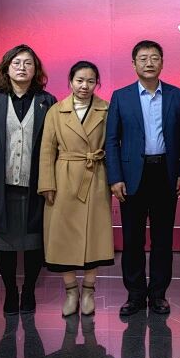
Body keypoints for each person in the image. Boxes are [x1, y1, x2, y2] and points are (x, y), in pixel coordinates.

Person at [106, 40, 180, 316]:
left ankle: (158, 295)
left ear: (162, 63)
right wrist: (115, 177)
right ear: (134, 64)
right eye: (143, 58)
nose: (149, 63)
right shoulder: (121, 97)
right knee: (132, 240)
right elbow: (111, 140)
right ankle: (135, 295)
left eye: (154, 58)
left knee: (162, 240)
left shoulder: (176, 95)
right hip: (132, 177)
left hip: (165, 173)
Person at [0, 44, 56, 315]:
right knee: (4, 241)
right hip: (2, 184)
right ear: (6, 68)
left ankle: (29, 290)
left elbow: (55, 145)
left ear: (36, 70)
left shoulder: (47, 101)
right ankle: (10, 290)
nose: (22, 67)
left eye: (28, 63)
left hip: (36, 185)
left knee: (34, 241)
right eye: (16, 63)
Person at [39, 61, 115, 317]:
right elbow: (47, 150)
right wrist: (47, 183)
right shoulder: (56, 110)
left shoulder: (106, 109)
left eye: (91, 81)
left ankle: (89, 291)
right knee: (62, 237)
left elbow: (113, 145)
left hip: (96, 176)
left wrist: (115, 180)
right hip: (64, 178)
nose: (85, 86)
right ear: (70, 82)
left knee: (95, 236)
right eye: (80, 80)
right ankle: (71, 291)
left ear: (97, 84)